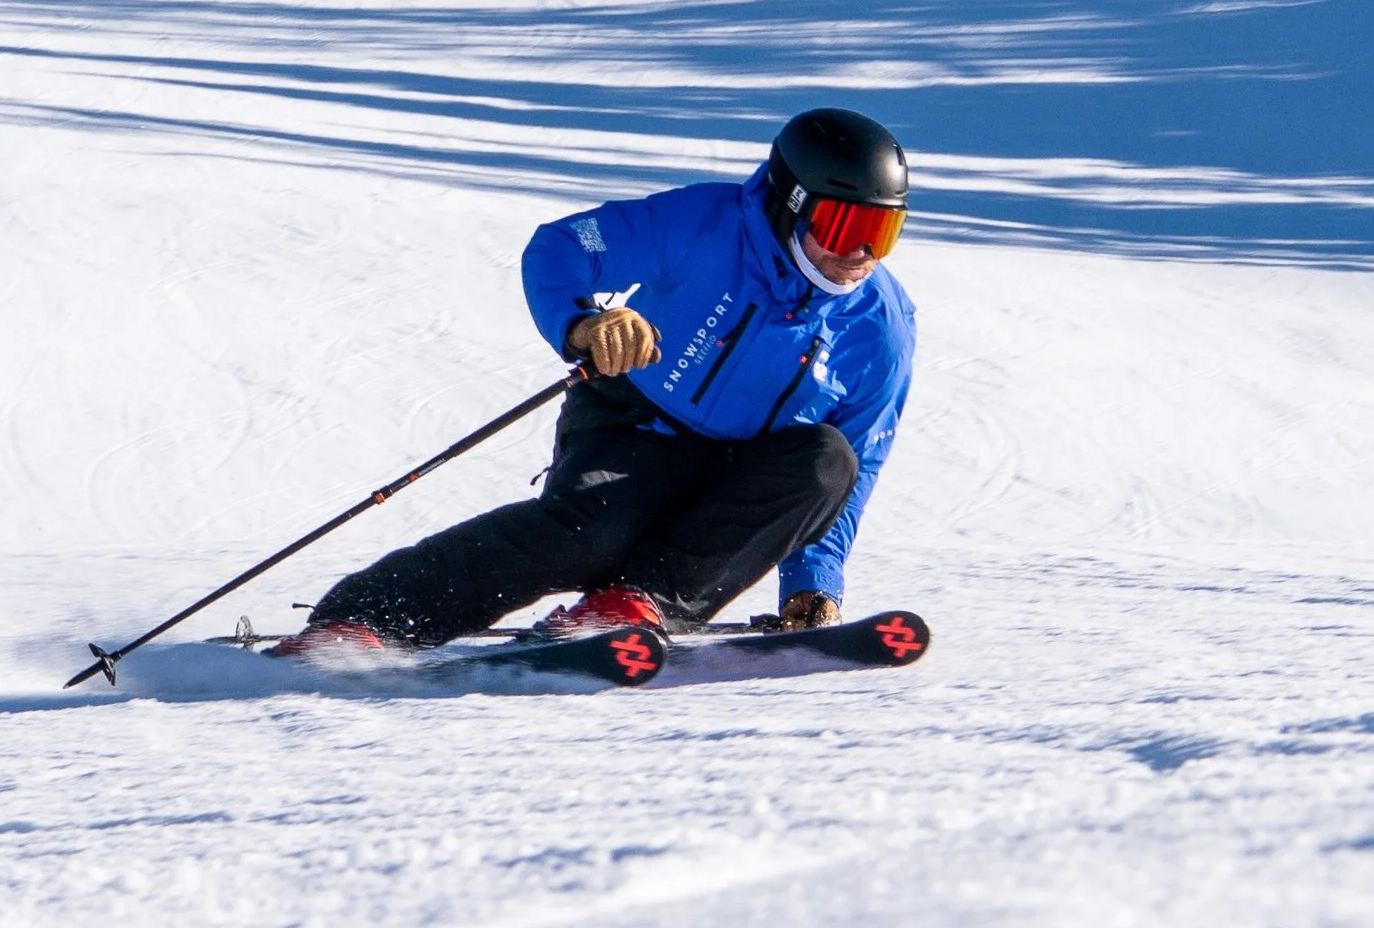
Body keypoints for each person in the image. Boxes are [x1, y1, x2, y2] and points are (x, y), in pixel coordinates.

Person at [272, 109, 917, 656]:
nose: (861, 254)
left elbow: (861, 459)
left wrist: (813, 581)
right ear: (789, 206)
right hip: (636, 425)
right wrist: (584, 323)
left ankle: (634, 605)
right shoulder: (703, 223)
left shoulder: (881, 327)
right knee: (589, 533)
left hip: (745, 472)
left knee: (829, 461)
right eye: (845, 226)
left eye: (881, 232)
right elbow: (562, 246)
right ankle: (367, 618)